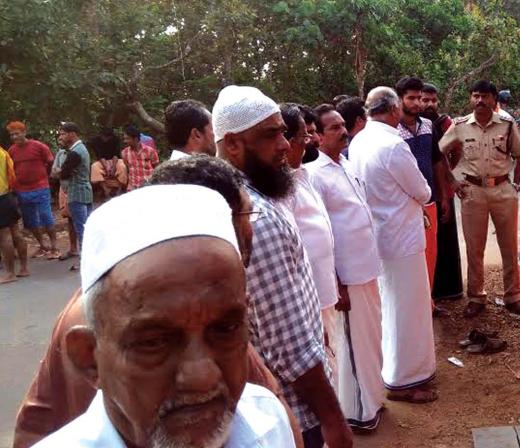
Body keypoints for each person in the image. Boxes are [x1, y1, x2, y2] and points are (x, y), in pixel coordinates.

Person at [13, 156, 302, 448]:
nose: (201, 377)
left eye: (226, 329)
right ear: (90, 358)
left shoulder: (268, 423)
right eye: (153, 343)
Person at [213, 85, 352, 448]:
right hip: (295, 413)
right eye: (270, 135)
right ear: (232, 144)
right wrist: (333, 418)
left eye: (283, 132)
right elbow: (290, 348)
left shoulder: (242, 200)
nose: (283, 145)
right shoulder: (256, 219)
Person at [348, 87, 439, 403]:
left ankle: (394, 370)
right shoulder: (392, 144)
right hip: (401, 238)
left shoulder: (359, 140)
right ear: (393, 109)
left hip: (378, 235)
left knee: (391, 306)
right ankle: (406, 379)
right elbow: (422, 191)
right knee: (408, 310)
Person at [306, 105, 387, 429]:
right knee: (353, 344)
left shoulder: (346, 164)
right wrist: (337, 282)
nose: (343, 132)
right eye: (334, 128)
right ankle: (359, 413)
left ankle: (373, 400)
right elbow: (323, 232)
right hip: (347, 275)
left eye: (343, 126)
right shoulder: (316, 175)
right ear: (319, 136)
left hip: (366, 266)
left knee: (370, 339)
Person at [439, 80, 520, 318]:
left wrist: (515, 184)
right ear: (471, 99)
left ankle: (513, 297)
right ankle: (476, 297)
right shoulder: (460, 126)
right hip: (473, 192)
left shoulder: (507, 124)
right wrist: (452, 181)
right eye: (475, 96)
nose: (479, 101)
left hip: (502, 190)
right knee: (474, 247)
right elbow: (439, 153)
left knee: (509, 246)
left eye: (484, 96)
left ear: (494, 100)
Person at [280, 104, 340, 395]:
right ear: (287, 140)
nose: (310, 140)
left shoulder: (302, 176)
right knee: (325, 368)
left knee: (333, 362)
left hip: (326, 291)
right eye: (304, 135)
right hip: (309, 300)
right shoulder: (280, 189)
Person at [394, 77, 451, 317]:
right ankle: (411, 307)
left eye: (419, 98)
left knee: (430, 253)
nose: (417, 103)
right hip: (405, 205)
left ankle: (428, 303)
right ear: (399, 100)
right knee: (408, 256)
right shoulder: (392, 131)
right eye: (412, 98)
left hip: (429, 201)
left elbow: (437, 161)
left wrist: (443, 195)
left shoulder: (429, 125)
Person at [420, 83, 464, 302]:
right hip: (422, 192)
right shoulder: (415, 125)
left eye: (433, 100)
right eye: (425, 100)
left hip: (443, 188)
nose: (429, 104)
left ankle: (450, 290)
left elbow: (457, 150)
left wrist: (448, 174)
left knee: (446, 240)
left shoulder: (444, 123)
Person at [6, 121, 59, 259]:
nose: (14, 137)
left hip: (40, 187)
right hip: (22, 190)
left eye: (16, 133)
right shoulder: (12, 150)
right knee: (30, 221)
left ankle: (55, 247)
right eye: (11, 135)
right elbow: (10, 169)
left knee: (46, 217)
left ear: (24, 132)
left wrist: (46, 178)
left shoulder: (38, 146)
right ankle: (42, 245)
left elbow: (50, 162)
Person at [56, 122, 93, 272]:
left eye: (63, 133)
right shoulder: (81, 148)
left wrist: (59, 170)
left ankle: (86, 262)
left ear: (72, 133)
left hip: (77, 193)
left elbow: (62, 173)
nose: (61, 136)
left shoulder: (75, 152)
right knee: (86, 227)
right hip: (85, 191)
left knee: (81, 229)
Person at [0, 145, 28, 283]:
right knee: (16, 232)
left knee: (4, 236)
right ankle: (24, 268)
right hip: (8, 196)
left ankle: (10, 273)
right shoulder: (3, 152)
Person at [50, 141, 78, 261]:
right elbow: (54, 173)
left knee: (80, 219)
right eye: (59, 137)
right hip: (64, 188)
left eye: (63, 136)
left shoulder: (77, 151)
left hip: (76, 189)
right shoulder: (60, 153)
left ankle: (84, 251)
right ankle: (73, 249)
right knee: (70, 219)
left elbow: (68, 172)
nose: (60, 140)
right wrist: (62, 172)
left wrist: (61, 171)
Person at [121, 125, 160, 190]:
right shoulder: (124, 153)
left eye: (127, 139)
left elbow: (157, 168)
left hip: (149, 186)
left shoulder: (150, 151)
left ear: (135, 139)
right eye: (124, 139)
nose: (125, 141)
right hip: (133, 187)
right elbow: (128, 169)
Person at [89, 138, 127, 204]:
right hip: (102, 162)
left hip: (115, 160)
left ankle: (119, 189)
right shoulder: (96, 141)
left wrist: (114, 168)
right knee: (94, 166)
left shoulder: (115, 140)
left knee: (122, 166)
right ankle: (106, 191)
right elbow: (100, 155)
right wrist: (106, 168)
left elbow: (116, 155)